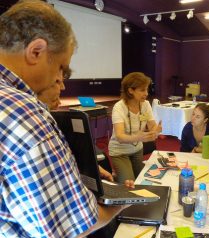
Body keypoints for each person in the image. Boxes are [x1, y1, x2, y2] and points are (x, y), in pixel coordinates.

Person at [0, 1, 128, 237]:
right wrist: (125, 201)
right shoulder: (24, 112)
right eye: (60, 66)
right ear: (36, 51)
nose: (59, 79)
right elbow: (75, 226)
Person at [108, 72, 162, 183]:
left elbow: (151, 125)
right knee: (130, 184)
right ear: (130, 90)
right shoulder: (119, 107)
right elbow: (120, 137)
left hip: (137, 150)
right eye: (142, 90)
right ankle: (116, 176)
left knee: (144, 180)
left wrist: (155, 130)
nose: (146, 93)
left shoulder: (145, 104)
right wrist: (139, 138)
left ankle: (121, 174)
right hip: (120, 152)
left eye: (147, 90)